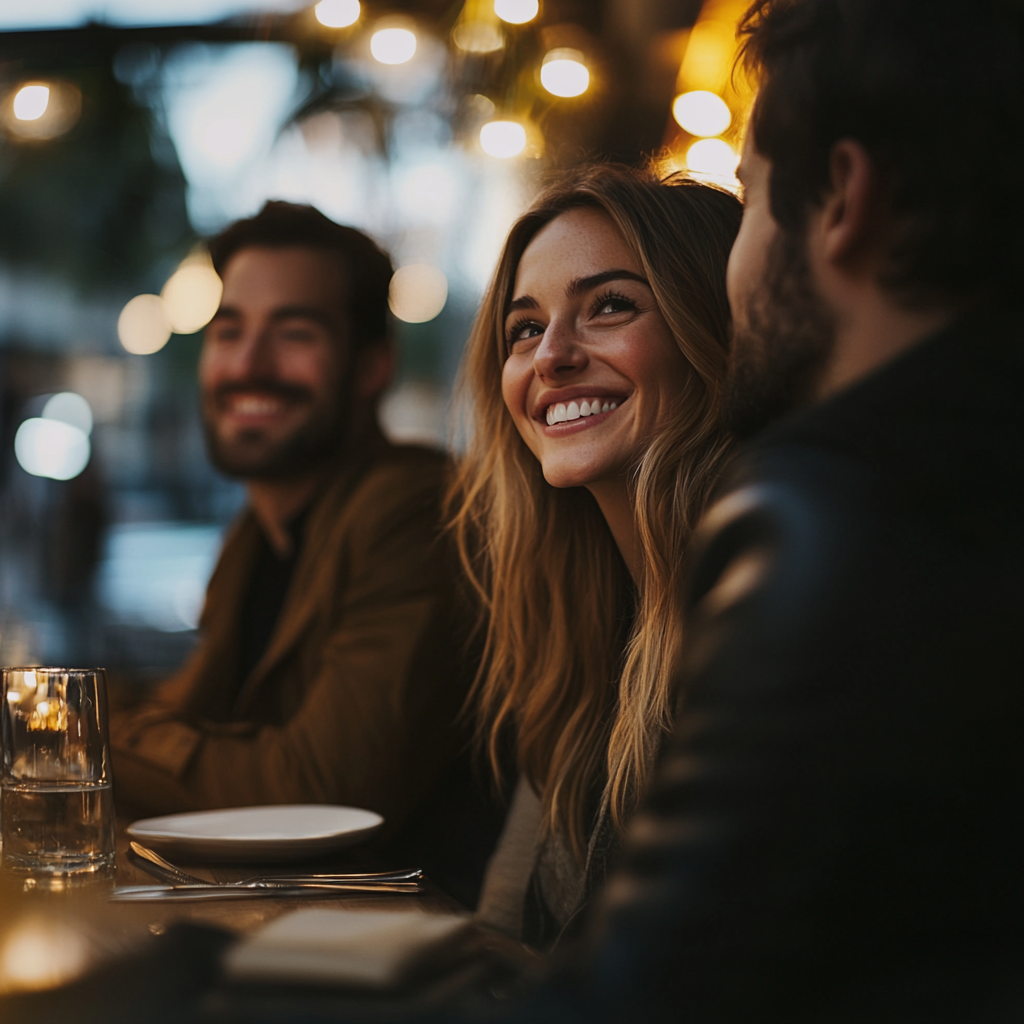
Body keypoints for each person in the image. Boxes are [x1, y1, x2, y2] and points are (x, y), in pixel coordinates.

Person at [110, 202, 497, 896]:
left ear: (372, 366)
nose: (249, 365)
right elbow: (190, 718)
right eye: (229, 332)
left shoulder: (419, 510)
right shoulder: (255, 538)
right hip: (280, 922)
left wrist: (69, 737)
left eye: (294, 333)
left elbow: (324, 788)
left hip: (412, 960)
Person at [448, 165, 741, 946]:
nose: (550, 357)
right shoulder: (585, 634)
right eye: (524, 328)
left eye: (609, 305)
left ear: (710, 329)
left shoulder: (750, 625)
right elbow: (499, 933)